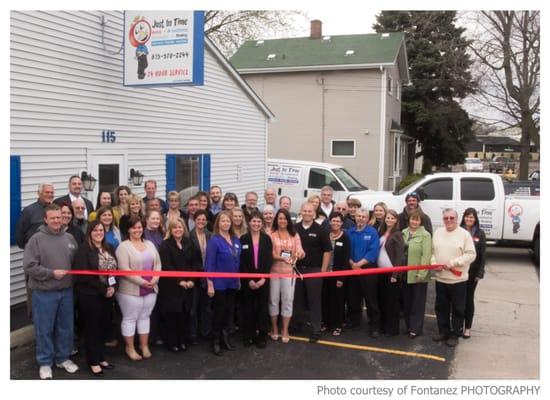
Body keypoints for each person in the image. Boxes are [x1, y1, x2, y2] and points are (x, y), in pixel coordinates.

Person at [23, 204, 79, 379]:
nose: (56, 220)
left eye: (59, 217)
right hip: (44, 293)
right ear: (46, 219)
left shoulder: (69, 238)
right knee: (44, 329)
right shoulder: (36, 239)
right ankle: (45, 362)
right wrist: (50, 274)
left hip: (66, 292)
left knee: (66, 327)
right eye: (52, 218)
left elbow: (76, 264)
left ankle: (62, 358)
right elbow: (29, 266)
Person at [72, 221, 117, 377]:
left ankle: (101, 357)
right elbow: (84, 276)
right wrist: (104, 290)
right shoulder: (83, 250)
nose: (99, 232)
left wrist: (113, 288)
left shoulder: (109, 248)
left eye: (101, 230)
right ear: (90, 232)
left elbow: (114, 271)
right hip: (90, 296)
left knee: (104, 328)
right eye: (95, 230)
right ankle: (93, 361)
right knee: (92, 329)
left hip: (108, 296)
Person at [115, 216, 161, 360]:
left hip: (151, 288)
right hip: (130, 290)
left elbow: (158, 264)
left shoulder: (150, 244)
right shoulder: (123, 246)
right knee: (130, 318)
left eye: (140, 227)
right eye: (134, 227)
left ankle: (144, 346)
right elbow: (124, 269)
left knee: (145, 317)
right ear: (128, 229)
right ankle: (130, 348)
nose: (137, 230)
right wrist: (141, 282)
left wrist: (155, 279)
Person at [431, 208, 476, 348]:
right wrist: (434, 264)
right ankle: (443, 331)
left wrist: (453, 263)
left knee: (458, 309)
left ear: (457, 219)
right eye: (446, 218)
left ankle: (455, 334)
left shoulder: (464, 235)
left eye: (451, 218)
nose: (449, 220)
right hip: (441, 279)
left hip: (458, 280)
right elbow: (432, 252)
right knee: (441, 307)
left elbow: (471, 255)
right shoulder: (438, 232)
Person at [294, 202, 332, 342]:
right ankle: (296, 324)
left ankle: (316, 329)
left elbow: (327, 251)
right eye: (305, 211)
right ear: (301, 212)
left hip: (314, 270)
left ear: (314, 214)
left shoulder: (321, 230)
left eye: (310, 211)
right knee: (297, 299)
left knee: (314, 301)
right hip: (297, 270)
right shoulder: (294, 228)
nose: (307, 213)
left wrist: (322, 271)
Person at [205, 211, 241, 355]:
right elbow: (210, 263)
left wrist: (238, 280)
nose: (226, 223)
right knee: (218, 313)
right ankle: (215, 342)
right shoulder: (214, 240)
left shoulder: (235, 239)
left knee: (228, 312)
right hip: (219, 283)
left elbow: (237, 262)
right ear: (218, 223)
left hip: (232, 283)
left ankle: (225, 339)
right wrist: (210, 283)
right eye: (223, 221)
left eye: (228, 221)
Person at [158, 218, 197, 352]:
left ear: (184, 228)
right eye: (174, 228)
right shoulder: (165, 245)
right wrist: (180, 281)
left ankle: (182, 340)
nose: (178, 230)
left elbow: (195, 264)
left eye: (180, 227)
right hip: (171, 286)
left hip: (188, 286)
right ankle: (172, 342)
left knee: (185, 314)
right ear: (170, 230)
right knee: (172, 315)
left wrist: (192, 280)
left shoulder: (190, 243)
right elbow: (167, 265)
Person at [269, 208, 304, 343]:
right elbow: (270, 254)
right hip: (274, 272)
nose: (282, 221)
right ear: (276, 220)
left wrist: (300, 254)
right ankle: (274, 329)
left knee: (287, 301)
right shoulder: (271, 234)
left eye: (285, 218)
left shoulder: (294, 235)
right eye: (280, 218)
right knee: (273, 300)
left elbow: (300, 250)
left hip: (289, 274)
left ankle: (285, 329)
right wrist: (281, 258)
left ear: (288, 220)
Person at [239, 211, 273, 348]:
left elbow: (269, 260)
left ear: (262, 223)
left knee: (262, 309)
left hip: (263, 279)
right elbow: (241, 261)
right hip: (248, 280)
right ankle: (249, 335)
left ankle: (262, 336)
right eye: (254, 221)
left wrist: (264, 278)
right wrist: (249, 280)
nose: (256, 224)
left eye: (259, 221)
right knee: (248, 308)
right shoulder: (243, 239)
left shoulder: (266, 239)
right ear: (249, 222)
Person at [348, 208, 381, 337]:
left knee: (371, 299)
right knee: (353, 297)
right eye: (358, 216)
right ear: (355, 217)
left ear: (367, 219)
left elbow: (373, 251)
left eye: (363, 217)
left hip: (367, 269)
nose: (360, 218)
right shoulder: (350, 232)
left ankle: (374, 325)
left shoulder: (372, 232)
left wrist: (359, 264)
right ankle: (354, 320)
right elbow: (346, 250)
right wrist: (352, 264)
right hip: (352, 269)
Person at [402, 210, 432, 338]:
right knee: (407, 302)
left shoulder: (425, 235)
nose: (414, 222)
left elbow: (426, 255)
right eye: (412, 219)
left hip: (418, 275)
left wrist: (422, 273)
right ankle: (409, 326)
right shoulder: (403, 232)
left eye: (417, 220)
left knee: (417, 303)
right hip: (405, 274)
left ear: (421, 221)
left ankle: (415, 328)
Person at [376, 209, 405, 337]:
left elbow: (400, 257)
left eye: (392, 218)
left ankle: (392, 329)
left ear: (396, 220)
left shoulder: (397, 234)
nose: (390, 220)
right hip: (380, 272)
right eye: (388, 218)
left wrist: (395, 274)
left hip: (391, 274)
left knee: (392, 302)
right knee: (382, 300)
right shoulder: (381, 232)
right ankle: (383, 326)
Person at [460, 208, 486, 339]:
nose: (469, 219)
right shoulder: (458, 231)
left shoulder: (480, 234)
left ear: (475, 219)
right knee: (458, 300)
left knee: (469, 300)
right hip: (458, 272)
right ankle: (458, 325)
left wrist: (480, 272)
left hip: (472, 273)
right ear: (463, 218)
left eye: (471, 217)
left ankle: (467, 328)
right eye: (467, 217)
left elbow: (482, 255)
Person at [323, 212, 351, 336]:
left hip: (338, 275)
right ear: (329, 222)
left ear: (342, 223)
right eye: (333, 221)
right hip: (325, 274)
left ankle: (337, 325)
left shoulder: (345, 237)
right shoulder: (325, 236)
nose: (335, 223)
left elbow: (345, 260)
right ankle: (327, 323)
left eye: (338, 221)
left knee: (337, 301)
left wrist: (341, 278)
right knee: (325, 299)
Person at [188, 209, 212, 342]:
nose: (201, 222)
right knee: (193, 308)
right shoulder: (188, 236)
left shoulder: (211, 235)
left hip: (208, 276)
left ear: (206, 221)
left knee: (207, 307)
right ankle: (193, 334)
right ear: (194, 220)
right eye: (199, 219)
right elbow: (189, 259)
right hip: (195, 276)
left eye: (203, 219)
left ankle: (205, 331)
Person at [16, 183, 55, 249]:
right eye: (47, 192)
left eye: (52, 193)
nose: (50, 194)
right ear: (39, 193)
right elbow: (20, 235)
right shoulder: (29, 211)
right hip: (34, 251)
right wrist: (29, 248)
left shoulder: (55, 209)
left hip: (52, 250)